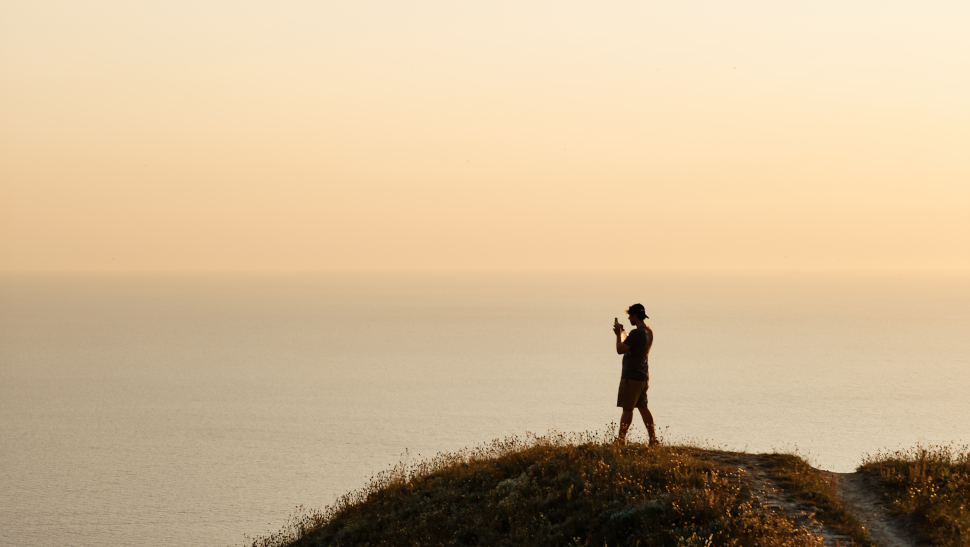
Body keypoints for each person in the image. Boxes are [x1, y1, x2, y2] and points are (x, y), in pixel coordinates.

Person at [612, 303, 658, 445]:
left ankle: (620, 440)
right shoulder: (648, 331)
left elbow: (620, 349)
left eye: (630, 316)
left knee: (627, 409)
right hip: (643, 376)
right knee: (643, 408)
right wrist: (623, 333)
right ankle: (653, 439)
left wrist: (618, 335)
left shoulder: (636, 333)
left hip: (631, 377)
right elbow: (633, 345)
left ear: (635, 315)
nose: (629, 319)